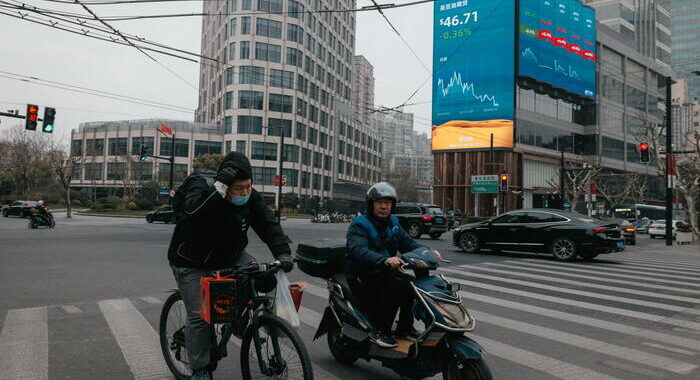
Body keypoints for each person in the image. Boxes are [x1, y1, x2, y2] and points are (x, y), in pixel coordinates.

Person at [167, 152, 294, 380]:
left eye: (248, 186)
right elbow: (193, 212)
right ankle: (200, 370)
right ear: (225, 185)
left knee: (259, 275)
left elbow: (269, 226)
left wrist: (283, 253)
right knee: (200, 315)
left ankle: (234, 322)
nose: (245, 193)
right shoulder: (201, 188)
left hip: (230, 256)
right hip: (191, 261)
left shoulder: (251, 197)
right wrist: (217, 191)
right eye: (238, 188)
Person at [345, 182, 426, 348]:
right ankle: (381, 331)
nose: (384, 207)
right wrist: (383, 260)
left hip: (384, 272)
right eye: (379, 202)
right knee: (396, 287)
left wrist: (427, 251)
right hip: (362, 275)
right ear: (371, 204)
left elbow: (409, 243)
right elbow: (358, 249)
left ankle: (405, 328)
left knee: (412, 286)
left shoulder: (393, 223)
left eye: (387, 203)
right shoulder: (360, 223)